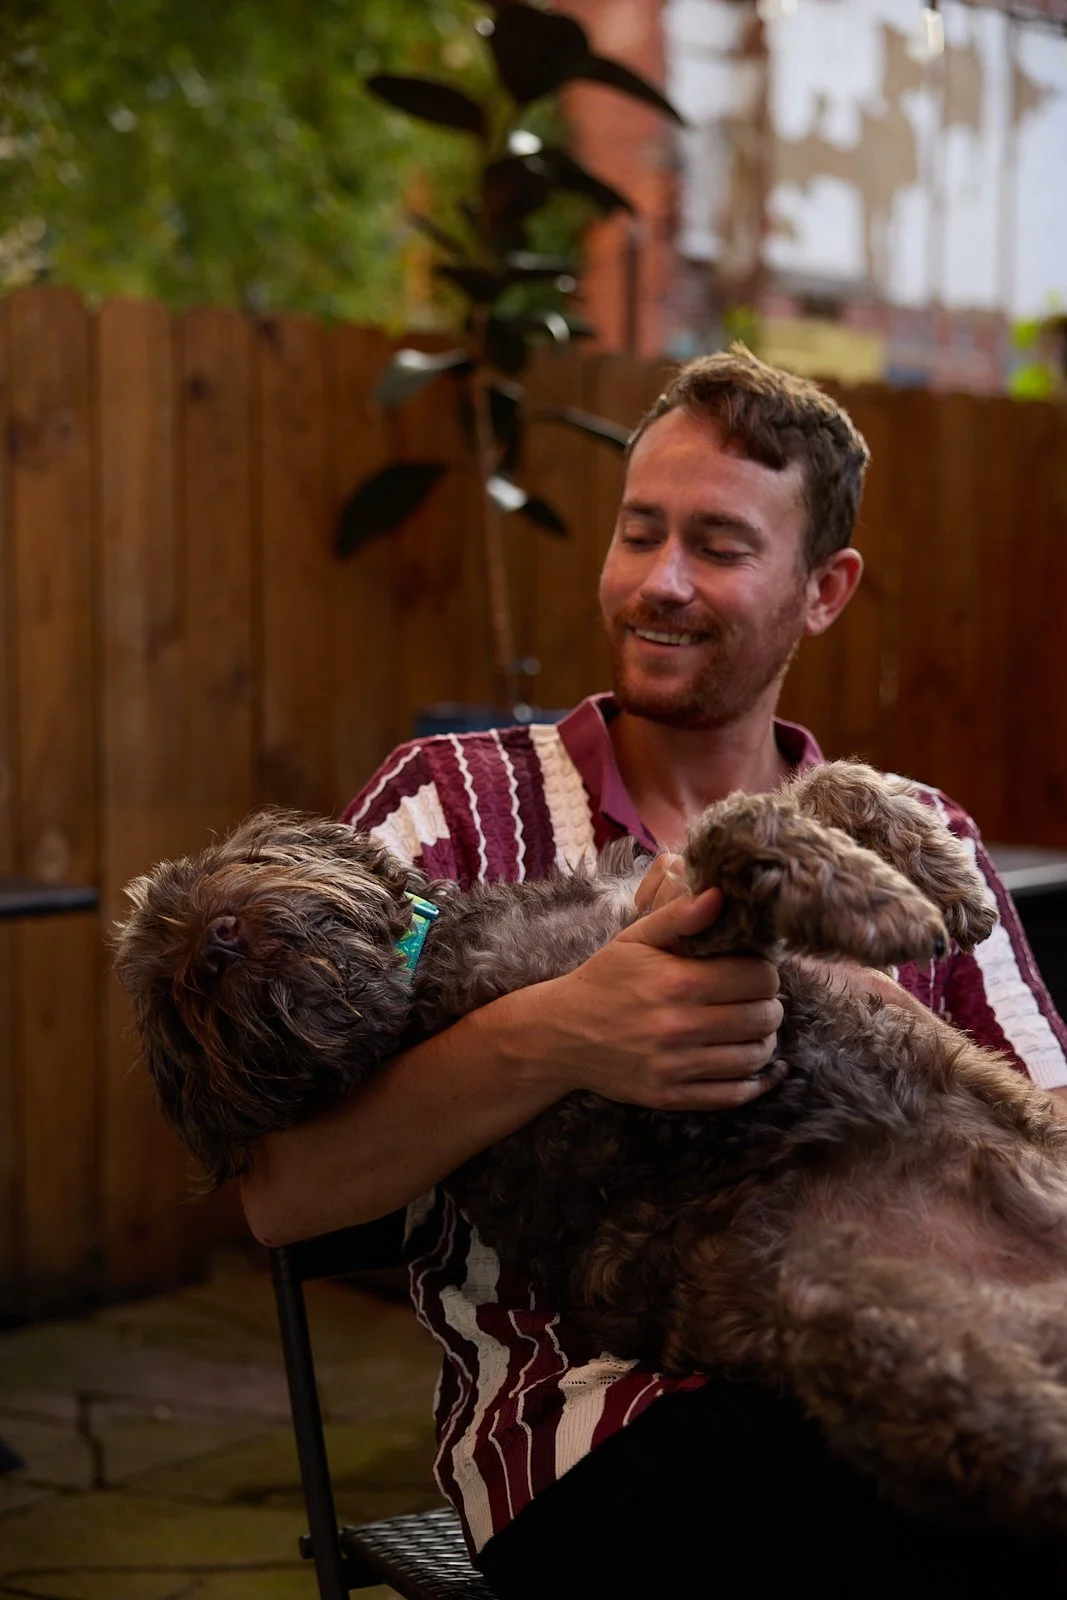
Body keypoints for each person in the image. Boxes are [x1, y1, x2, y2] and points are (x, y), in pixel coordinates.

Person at [242, 351, 1067, 1593]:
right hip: (591, 1422)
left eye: (719, 546)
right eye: (639, 533)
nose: (658, 583)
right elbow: (280, 1194)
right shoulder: (448, 811)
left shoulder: (909, 835)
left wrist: (855, 1016)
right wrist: (559, 1032)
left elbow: (1043, 1141)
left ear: (823, 589)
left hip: (942, 1327)